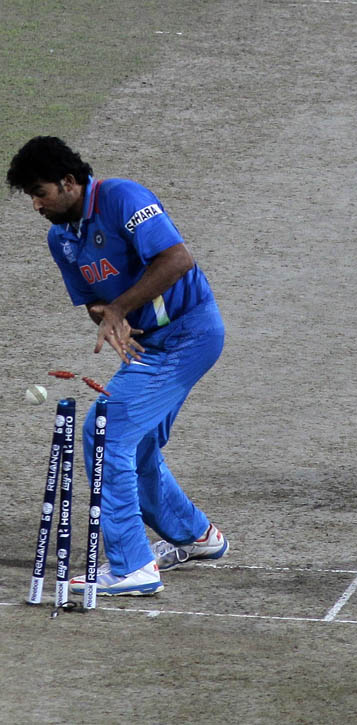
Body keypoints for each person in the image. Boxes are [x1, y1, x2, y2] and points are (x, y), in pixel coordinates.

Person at [7, 136, 230, 595]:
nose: (35, 205)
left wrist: (119, 310)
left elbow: (177, 259)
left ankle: (132, 567)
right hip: (150, 348)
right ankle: (196, 535)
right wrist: (111, 317)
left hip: (189, 334)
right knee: (135, 444)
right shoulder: (61, 238)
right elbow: (93, 303)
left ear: (69, 182)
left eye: (39, 192)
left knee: (104, 433)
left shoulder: (123, 197)